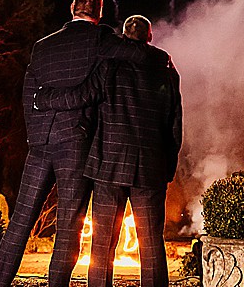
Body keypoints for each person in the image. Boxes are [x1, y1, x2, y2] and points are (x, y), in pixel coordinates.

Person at [0, 0, 160, 287]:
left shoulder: (43, 46)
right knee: (68, 228)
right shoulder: (100, 39)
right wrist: (163, 60)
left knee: (19, 223)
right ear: (100, 12)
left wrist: (37, 128)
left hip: (40, 144)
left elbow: (29, 93)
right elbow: (139, 54)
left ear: (72, 8)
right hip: (77, 144)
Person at [33, 14, 182, 287]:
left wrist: (44, 98)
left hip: (107, 165)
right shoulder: (167, 71)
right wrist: (167, 168)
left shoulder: (109, 66)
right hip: (150, 170)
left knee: (101, 247)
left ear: (123, 38)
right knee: (151, 247)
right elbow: (174, 125)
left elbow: (82, 96)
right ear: (149, 37)